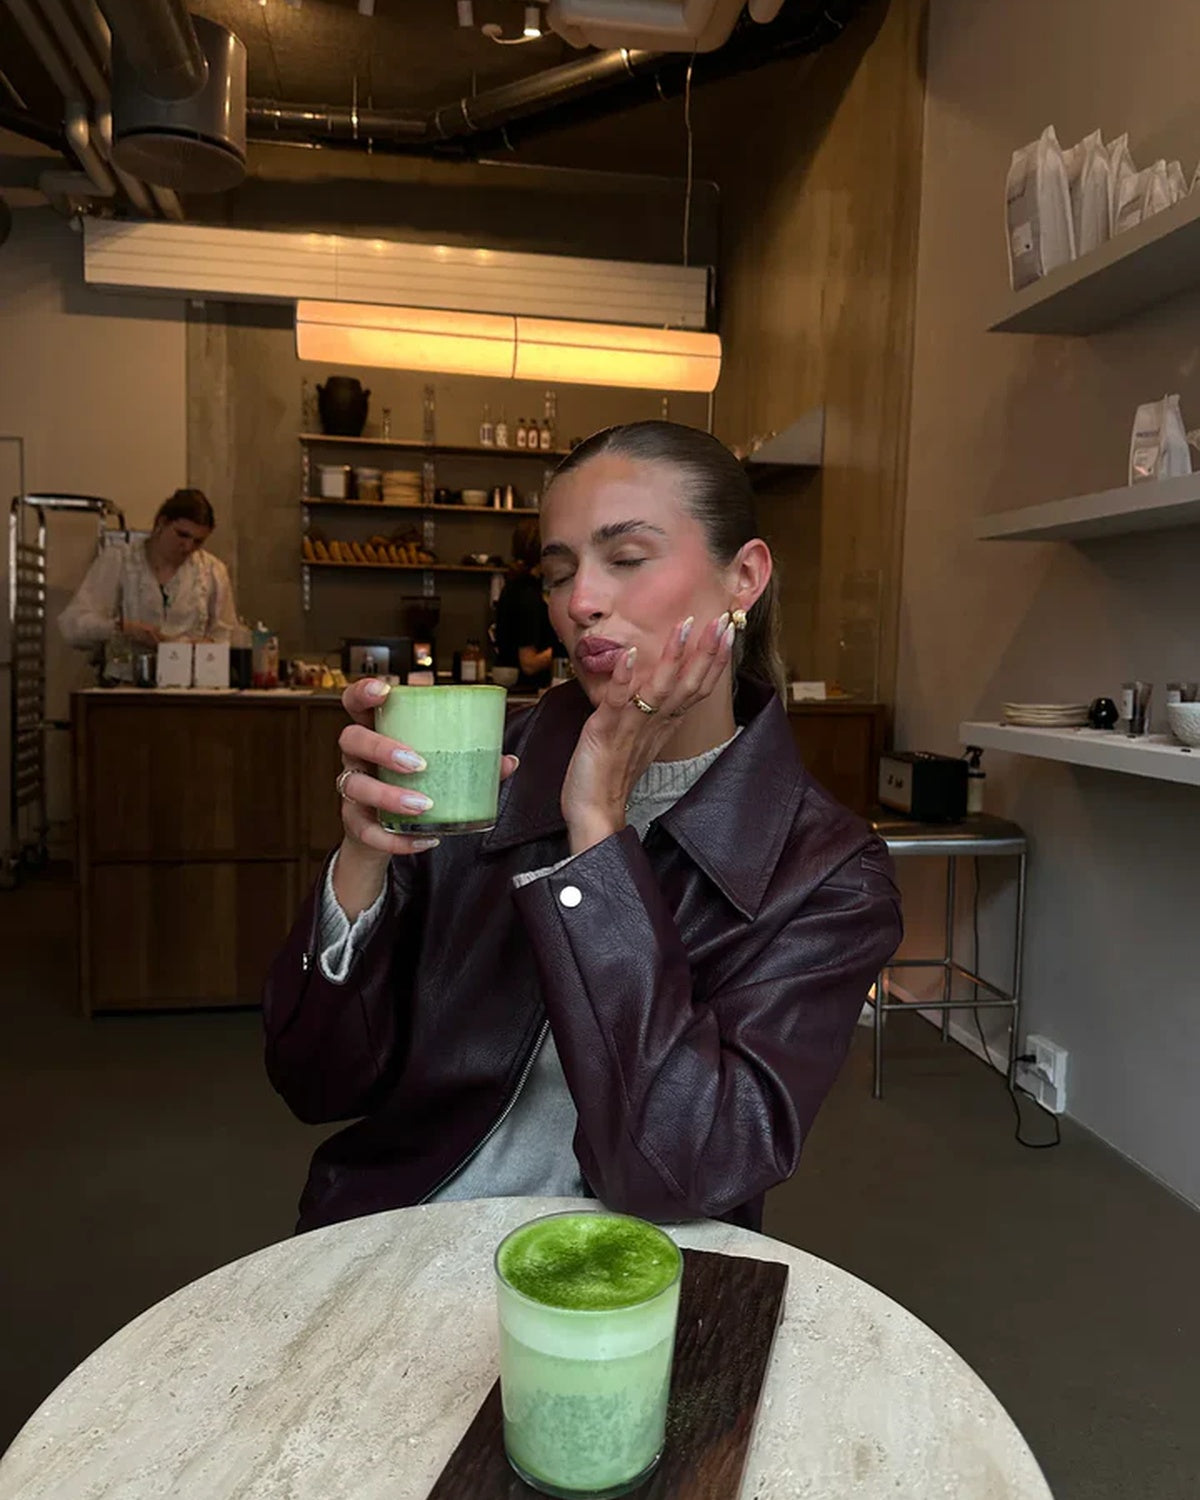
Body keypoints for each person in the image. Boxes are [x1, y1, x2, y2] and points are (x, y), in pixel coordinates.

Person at [263, 421, 902, 1234]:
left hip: (642, 1268)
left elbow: (683, 1171)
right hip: (415, 1231)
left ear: (744, 577)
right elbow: (316, 1084)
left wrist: (597, 827)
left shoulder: (827, 872)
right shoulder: (482, 769)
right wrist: (363, 862)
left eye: (627, 558)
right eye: (558, 573)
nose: (579, 603)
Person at [58, 488, 237, 673]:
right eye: (182, 535)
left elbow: (227, 636)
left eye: (198, 541)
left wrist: (202, 646)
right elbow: (73, 626)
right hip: (126, 682)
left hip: (189, 683)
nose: (188, 547)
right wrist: (124, 628)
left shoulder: (213, 571)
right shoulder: (120, 560)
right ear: (162, 523)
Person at [492, 517, 564, 691]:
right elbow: (529, 664)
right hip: (527, 689)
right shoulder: (527, 595)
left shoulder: (514, 586)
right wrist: (565, 648)